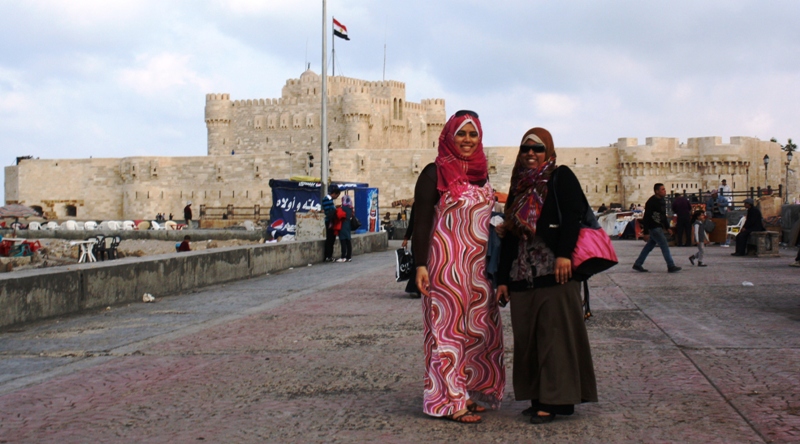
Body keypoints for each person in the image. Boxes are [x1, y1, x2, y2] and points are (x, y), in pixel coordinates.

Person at [496, 127, 598, 425]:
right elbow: (511, 238)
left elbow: (573, 215)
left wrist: (565, 254)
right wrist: (503, 279)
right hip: (522, 277)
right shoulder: (519, 186)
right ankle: (539, 397)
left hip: (555, 272)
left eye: (537, 148)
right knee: (528, 341)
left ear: (548, 151)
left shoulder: (560, 176)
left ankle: (557, 401)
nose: (531, 153)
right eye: (526, 148)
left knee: (555, 338)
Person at [412, 110, 504, 424]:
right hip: (446, 265)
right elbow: (422, 221)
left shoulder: (482, 174)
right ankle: (449, 402)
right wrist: (420, 265)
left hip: (479, 268)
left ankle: (470, 391)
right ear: (450, 135)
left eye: (472, 134)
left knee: (479, 331)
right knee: (446, 331)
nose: (466, 140)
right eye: (461, 134)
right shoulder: (433, 173)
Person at [633, 183, 682, 273]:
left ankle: (638, 264)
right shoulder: (651, 202)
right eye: (662, 189)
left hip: (658, 226)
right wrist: (646, 232)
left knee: (649, 246)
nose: (665, 191)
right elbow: (646, 217)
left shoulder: (662, 201)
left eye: (664, 189)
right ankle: (670, 265)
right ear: (657, 191)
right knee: (664, 245)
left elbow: (663, 215)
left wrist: (668, 227)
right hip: (654, 227)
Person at [401, 205, 419, 297]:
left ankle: (415, 288)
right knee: (418, 263)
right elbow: (412, 223)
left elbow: (411, 223)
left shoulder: (416, 205)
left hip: (418, 238)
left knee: (417, 263)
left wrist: (406, 238)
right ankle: (414, 288)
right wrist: (406, 238)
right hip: (424, 238)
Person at [322, 184, 341, 262]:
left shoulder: (330, 200)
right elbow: (328, 211)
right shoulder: (327, 199)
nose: (337, 197)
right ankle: (328, 256)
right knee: (330, 239)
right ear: (334, 193)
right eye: (337, 195)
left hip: (332, 221)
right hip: (329, 221)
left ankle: (329, 255)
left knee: (332, 239)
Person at [336, 195, 354, 262]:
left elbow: (339, 216)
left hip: (343, 225)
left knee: (343, 240)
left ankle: (343, 257)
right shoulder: (350, 207)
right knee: (348, 241)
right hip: (348, 225)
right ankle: (348, 257)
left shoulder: (343, 208)